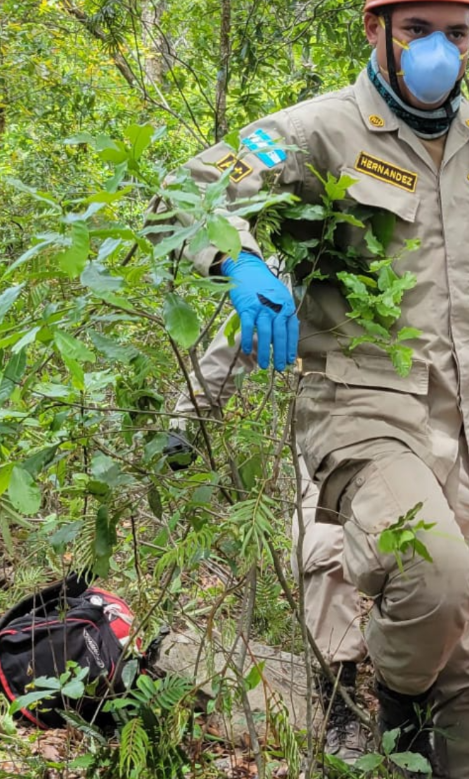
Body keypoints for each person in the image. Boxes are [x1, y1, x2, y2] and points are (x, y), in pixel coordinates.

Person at [155, 0, 469, 775]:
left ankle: (405, 716)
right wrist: (237, 264)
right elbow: (186, 191)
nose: (437, 51)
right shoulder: (319, 131)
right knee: (436, 577)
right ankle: (382, 689)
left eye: (456, 33)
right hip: (367, 411)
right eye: (417, 28)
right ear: (374, 26)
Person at [161, 290, 370, 763]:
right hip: (329, 423)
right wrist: (188, 415)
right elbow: (247, 327)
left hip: (418, 418)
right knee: (324, 546)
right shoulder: (312, 241)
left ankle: (417, 703)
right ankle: (341, 699)